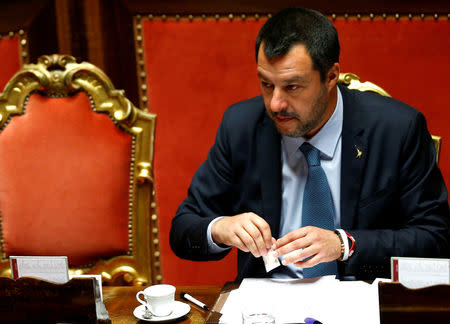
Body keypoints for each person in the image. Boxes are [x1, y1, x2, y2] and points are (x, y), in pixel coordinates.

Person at [169, 7, 450, 280]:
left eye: (292, 87)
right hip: (268, 305)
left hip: (359, 300)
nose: (276, 103)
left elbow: (435, 239)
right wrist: (221, 227)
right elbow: (183, 229)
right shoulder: (242, 126)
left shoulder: (396, 129)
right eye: (266, 84)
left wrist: (344, 244)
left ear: (331, 76)